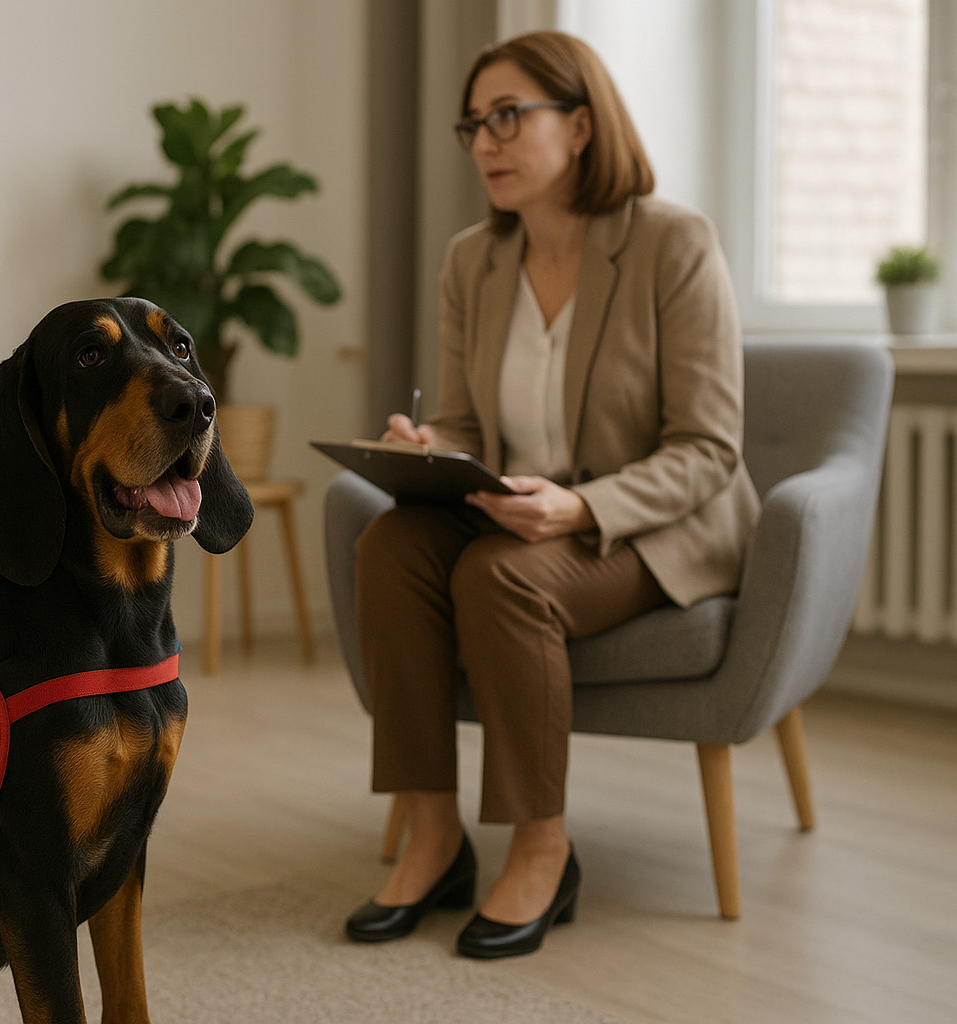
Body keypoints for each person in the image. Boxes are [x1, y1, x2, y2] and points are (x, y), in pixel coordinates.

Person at [343, 30, 759, 959]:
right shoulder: (471, 262)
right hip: (516, 511)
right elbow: (465, 425)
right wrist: (430, 448)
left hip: (648, 525)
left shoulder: (672, 243)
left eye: (507, 117)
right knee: (391, 544)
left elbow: (709, 449)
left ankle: (541, 845)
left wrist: (579, 509)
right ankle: (433, 833)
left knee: (501, 577)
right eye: (473, 125)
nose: (485, 141)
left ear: (579, 125)